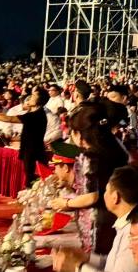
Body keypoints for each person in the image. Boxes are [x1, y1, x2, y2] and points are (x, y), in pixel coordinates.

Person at [52, 167, 138, 272]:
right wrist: (86, 258)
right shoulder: (127, 223)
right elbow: (113, 265)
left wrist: (78, 269)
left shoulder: (134, 233)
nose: (103, 196)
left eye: (106, 191)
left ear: (115, 197)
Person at [53, 101, 130, 254]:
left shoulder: (90, 156)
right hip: (115, 211)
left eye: (72, 132)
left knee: (97, 258)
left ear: (80, 133)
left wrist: (66, 203)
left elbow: (91, 197)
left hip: (97, 217)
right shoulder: (114, 146)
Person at [0, 88, 49, 187]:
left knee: (32, 177)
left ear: (39, 100)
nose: (30, 97)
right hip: (29, 148)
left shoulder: (37, 115)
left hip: (33, 150)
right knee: (30, 175)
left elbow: (10, 119)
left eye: (34, 96)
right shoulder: (34, 113)